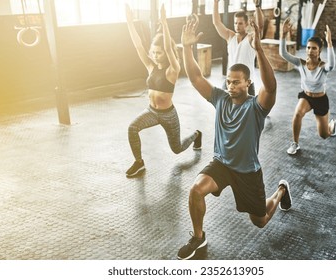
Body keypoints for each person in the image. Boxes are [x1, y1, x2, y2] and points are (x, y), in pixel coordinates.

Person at [177, 13, 292, 260]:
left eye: (237, 82)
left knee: (260, 221)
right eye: (229, 81)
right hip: (221, 164)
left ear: (248, 83)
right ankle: (198, 238)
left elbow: (271, 88)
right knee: (196, 190)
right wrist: (187, 48)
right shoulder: (220, 99)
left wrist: (260, 50)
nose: (231, 86)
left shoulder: (256, 107)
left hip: (247, 171)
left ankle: (281, 190)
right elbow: (197, 77)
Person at [124, 4, 202, 178]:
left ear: (166, 54)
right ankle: (139, 163)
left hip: (168, 115)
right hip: (151, 112)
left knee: (177, 149)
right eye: (153, 52)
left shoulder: (172, 69)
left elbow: (168, 48)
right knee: (132, 128)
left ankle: (196, 135)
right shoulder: (150, 66)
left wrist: (165, 24)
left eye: (158, 52)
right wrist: (129, 22)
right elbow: (138, 46)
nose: (155, 55)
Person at [279, 18, 336, 155]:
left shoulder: (323, 67)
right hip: (306, 96)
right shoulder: (300, 63)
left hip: (321, 99)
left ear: (319, 51)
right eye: (308, 47)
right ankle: (295, 143)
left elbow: (332, 65)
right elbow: (283, 54)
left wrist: (329, 43)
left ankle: (331, 126)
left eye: (314, 48)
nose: (310, 51)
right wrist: (282, 35)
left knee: (324, 135)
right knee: (297, 113)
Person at [212, 0, 265, 96]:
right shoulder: (230, 36)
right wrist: (215, 3)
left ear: (246, 24)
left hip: (246, 83)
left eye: (240, 23)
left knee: (248, 110)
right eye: (235, 23)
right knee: (225, 109)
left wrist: (257, 6)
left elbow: (260, 27)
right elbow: (217, 23)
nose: (237, 26)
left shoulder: (251, 38)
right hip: (230, 82)